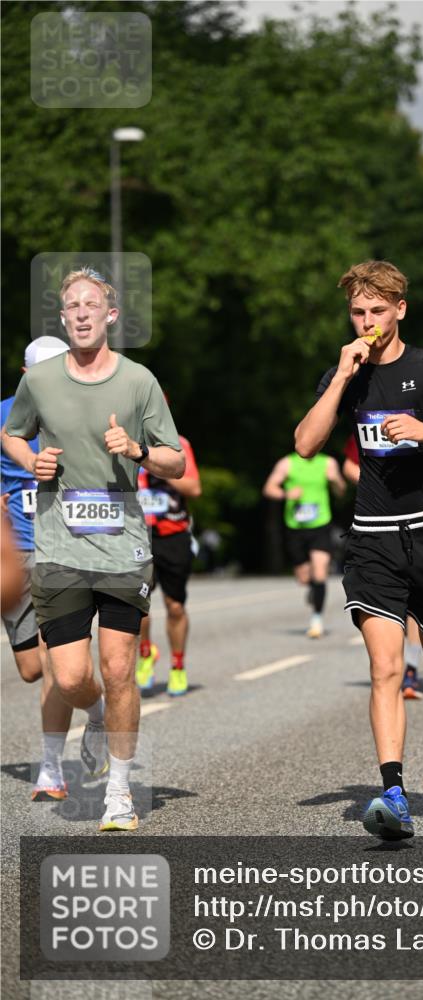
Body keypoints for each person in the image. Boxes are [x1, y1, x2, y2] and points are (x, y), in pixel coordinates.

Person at [295, 260, 423, 840]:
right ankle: (393, 793)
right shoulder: (347, 375)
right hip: (373, 540)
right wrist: (341, 378)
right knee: (386, 667)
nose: (368, 322)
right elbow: (306, 445)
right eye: (358, 312)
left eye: (378, 311)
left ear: (400, 310)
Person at [2, 267, 184, 832]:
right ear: (64, 318)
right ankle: (99, 714)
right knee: (70, 677)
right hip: (58, 550)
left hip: (122, 549)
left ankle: (119, 794)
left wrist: (138, 450)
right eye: (72, 306)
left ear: (110, 315)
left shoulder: (138, 381)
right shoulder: (40, 381)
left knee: (119, 667)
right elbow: (12, 432)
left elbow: (175, 460)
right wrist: (32, 460)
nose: (82, 313)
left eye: (91, 304)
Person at [1, 336, 74, 801]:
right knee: (31, 668)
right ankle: (96, 706)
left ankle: (51, 769)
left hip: (62, 550)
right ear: (26, 375)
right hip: (17, 554)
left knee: (54, 660)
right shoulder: (4, 416)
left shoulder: (82, 411)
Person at [342, 432, 423, 699]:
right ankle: (408, 669)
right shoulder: (368, 415)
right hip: (380, 533)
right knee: (397, 618)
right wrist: (377, 486)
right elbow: (349, 465)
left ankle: (415, 670)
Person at [135, 432, 201, 696]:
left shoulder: (178, 444)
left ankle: (178, 666)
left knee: (175, 606)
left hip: (173, 535)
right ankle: (145, 653)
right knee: (137, 605)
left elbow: (194, 489)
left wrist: (159, 468)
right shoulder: (122, 441)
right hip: (136, 534)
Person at [263, 450, 346, 638]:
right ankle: (313, 588)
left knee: (320, 572)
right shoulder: (287, 463)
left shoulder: (328, 463)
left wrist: (335, 481)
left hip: (321, 524)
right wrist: (286, 494)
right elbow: (269, 488)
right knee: (303, 577)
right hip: (295, 527)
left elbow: (341, 491)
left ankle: (316, 620)